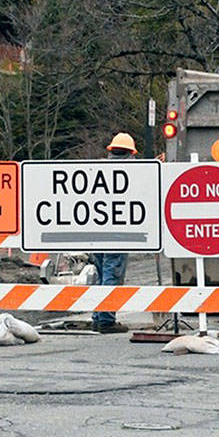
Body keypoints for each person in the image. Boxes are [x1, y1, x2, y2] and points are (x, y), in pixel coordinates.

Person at [90, 132, 138, 333]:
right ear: (130, 154)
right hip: (118, 233)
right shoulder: (132, 174)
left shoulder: (96, 170)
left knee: (101, 274)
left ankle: (98, 316)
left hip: (94, 233)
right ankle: (106, 320)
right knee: (112, 274)